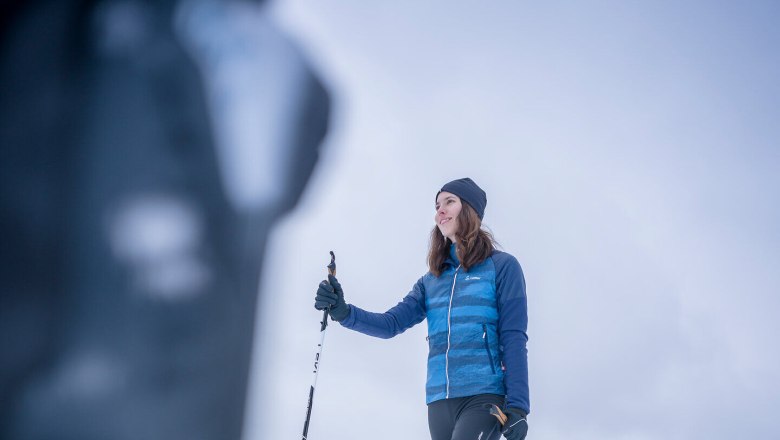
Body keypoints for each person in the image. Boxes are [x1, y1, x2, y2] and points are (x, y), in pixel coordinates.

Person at [315, 178, 529, 440]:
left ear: (470, 210)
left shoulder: (503, 267)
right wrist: (342, 311)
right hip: (439, 403)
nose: (440, 210)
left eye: (449, 202)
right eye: (437, 205)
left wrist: (519, 406)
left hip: (484, 396)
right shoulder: (431, 281)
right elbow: (390, 324)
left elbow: (514, 336)